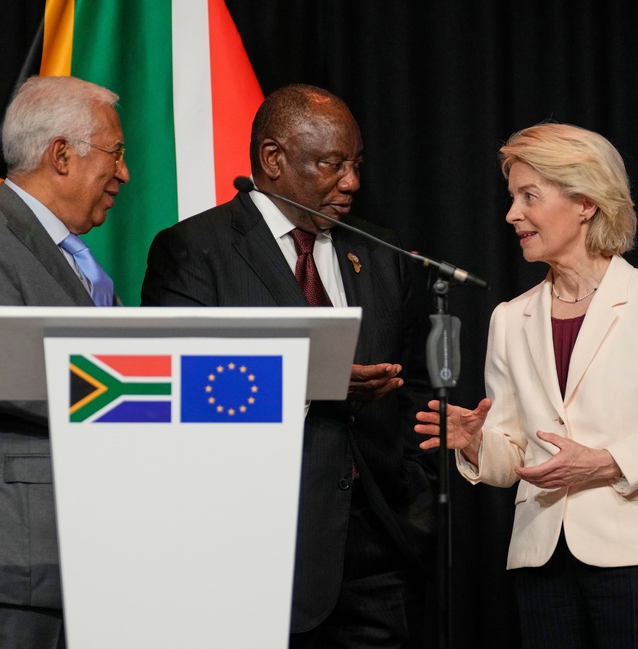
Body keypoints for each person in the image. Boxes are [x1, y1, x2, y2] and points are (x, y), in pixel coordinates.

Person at [141, 83, 437, 647]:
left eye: (356, 164)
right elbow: (179, 385)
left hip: (376, 551)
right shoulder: (195, 250)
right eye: (332, 164)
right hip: (250, 549)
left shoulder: (381, 251)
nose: (351, 182)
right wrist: (309, 383)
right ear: (273, 159)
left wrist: (413, 493)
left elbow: (415, 388)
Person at [414, 122, 638, 648]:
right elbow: (515, 457)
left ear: (585, 202)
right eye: (512, 198)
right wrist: (475, 443)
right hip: (541, 558)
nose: (512, 214)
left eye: (529, 196)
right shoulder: (510, 318)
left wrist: (603, 462)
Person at [0, 74, 129, 647]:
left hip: (97, 550)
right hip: (20, 551)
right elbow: (5, 375)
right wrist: (157, 389)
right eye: (115, 154)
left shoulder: (79, 260)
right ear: (61, 155)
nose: (124, 174)